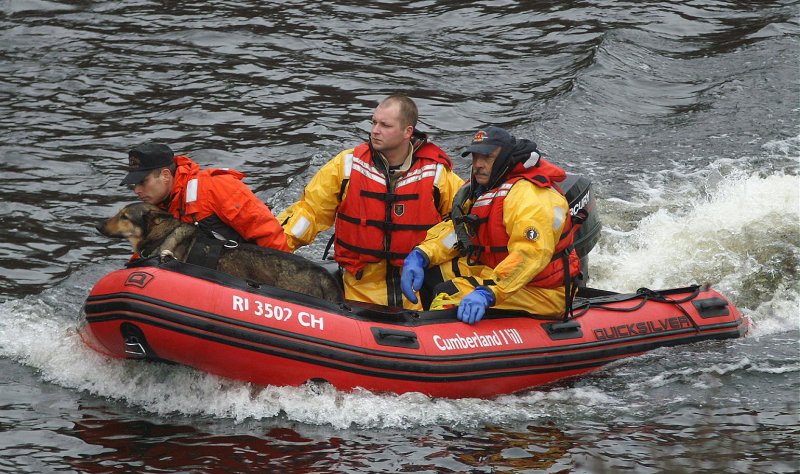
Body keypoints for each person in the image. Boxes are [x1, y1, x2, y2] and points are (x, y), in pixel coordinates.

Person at [276, 95, 464, 308]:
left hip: (417, 292)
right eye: (374, 122)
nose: (375, 130)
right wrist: (272, 247)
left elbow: (462, 224)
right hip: (359, 290)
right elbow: (309, 214)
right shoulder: (346, 167)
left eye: (385, 125)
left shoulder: (437, 174)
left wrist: (425, 254)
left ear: (407, 132)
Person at [400, 126, 581, 324]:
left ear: (504, 158)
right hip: (496, 270)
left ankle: (441, 342)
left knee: (450, 293)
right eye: (475, 157)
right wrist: (422, 254)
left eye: (487, 158)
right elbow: (460, 231)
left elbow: (529, 255)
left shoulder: (530, 196)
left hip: (541, 290)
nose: (478, 164)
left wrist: (489, 292)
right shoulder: (486, 189)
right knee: (430, 274)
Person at [121, 141, 289, 251]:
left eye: (142, 182)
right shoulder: (156, 211)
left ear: (165, 175)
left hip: (246, 272)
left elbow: (268, 234)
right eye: (134, 184)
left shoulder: (215, 188)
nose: (137, 190)